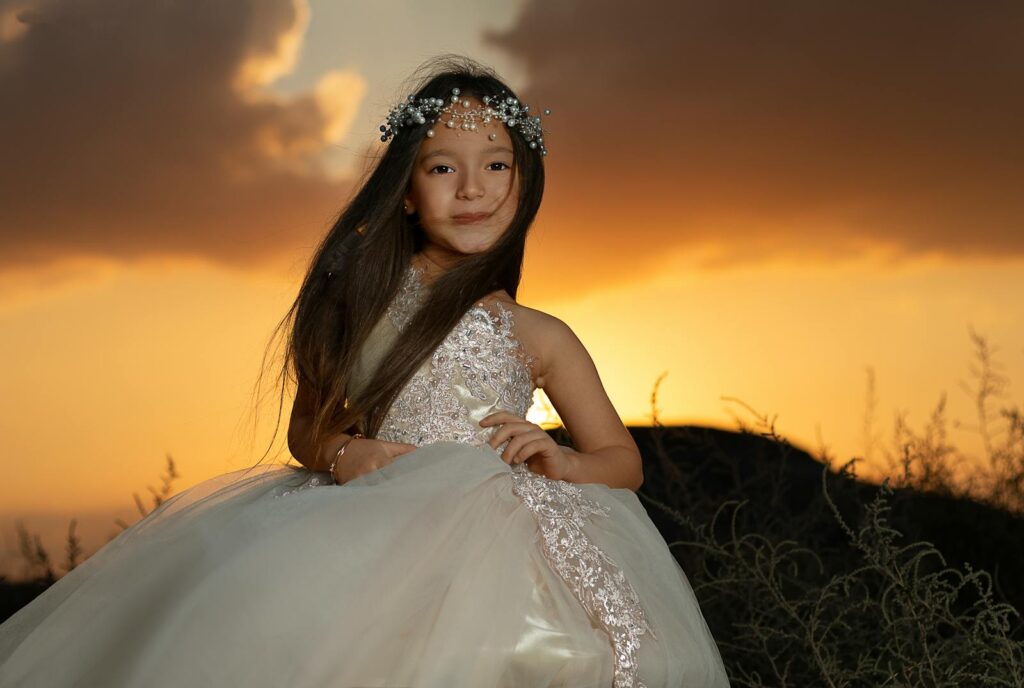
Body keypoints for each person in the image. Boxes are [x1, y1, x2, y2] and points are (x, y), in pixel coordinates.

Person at [0, 54, 730, 687]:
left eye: (497, 165)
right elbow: (308, 428)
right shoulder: (361, 294)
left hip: (506, 546)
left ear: (524, 181)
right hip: (374, 523)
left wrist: (561, 459)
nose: (472, 189)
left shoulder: (539, 333)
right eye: (443, 168)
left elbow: (623, 460)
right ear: (407, 191)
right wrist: (350, 454)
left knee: (546, 658)